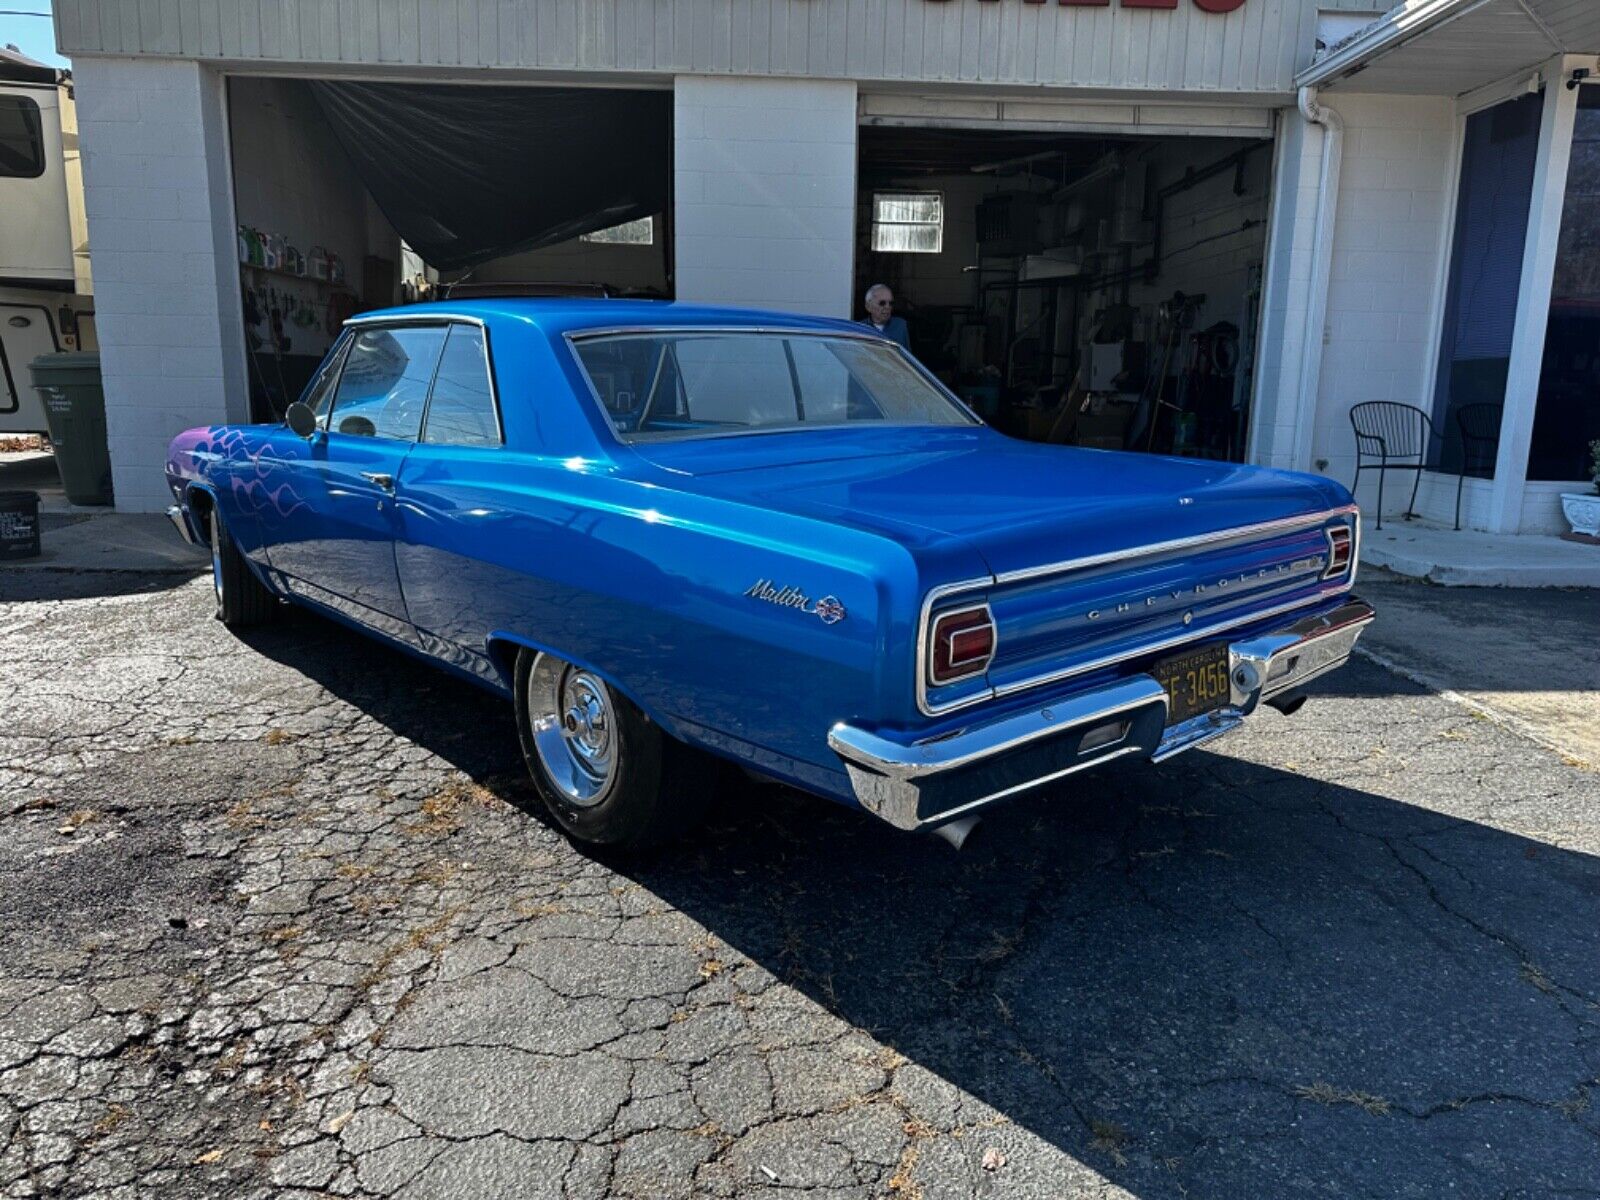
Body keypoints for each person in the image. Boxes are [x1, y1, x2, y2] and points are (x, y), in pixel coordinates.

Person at [861, 284, 911, 352]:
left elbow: (907, 356)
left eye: (890, 303)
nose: (887, 307)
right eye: (882, 303)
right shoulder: (860, 328)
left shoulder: (900, 326)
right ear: (868, 307)